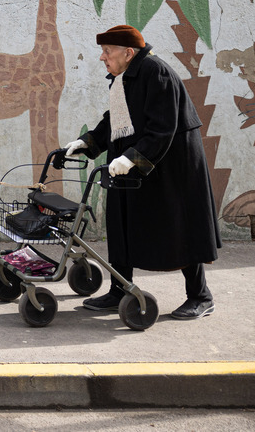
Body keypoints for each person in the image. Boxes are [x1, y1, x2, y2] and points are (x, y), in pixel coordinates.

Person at [64, 25, 221, 319]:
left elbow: (163, 128)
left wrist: (133, 158)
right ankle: (120, 289)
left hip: (174, 165)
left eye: (107, 51)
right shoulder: (124, 78)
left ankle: (201, 296)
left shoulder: (156, 73)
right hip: (135, 160)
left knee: (179, 226)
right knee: (121, 220)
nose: (102, 57)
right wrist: (87, 143)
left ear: (128, 53)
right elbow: (116, 120)